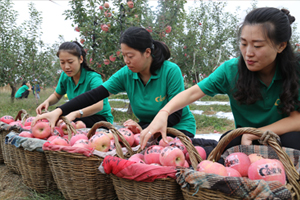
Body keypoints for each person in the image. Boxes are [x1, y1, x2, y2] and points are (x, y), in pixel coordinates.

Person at [139, 7, 300, 151]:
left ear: (281, 46)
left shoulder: (295, 69)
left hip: (282, 137)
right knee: (228, 141)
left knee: (294, 140)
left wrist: (256, 133)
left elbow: (297, 119)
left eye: (257, 46)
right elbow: (192, 93)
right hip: (245, 140)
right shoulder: (231, 70)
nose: (248, 53)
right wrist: (164, 113)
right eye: (243, 44)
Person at [32, 27, 197, 139]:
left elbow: (175, 114)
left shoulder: (170, 71)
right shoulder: (126, 74)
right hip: (147, 129)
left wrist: (144, 128)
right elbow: (94, 95)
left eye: (130, 56)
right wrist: (59, 111)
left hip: (178, 128)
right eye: (123, 55)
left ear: (147, 52)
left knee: (159, 152)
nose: (126, 61)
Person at [35, 41, 114, 128]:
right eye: (62, 62)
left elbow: (99, 106)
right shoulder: (65, 76)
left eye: (70, 62)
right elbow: (57, 95)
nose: (66, 67)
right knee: (54, 116)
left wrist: (76, 114)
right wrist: (47, 102)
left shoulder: (93, 78)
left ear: (81, 59)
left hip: (99, 118)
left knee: (66, 123)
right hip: (76, 115)